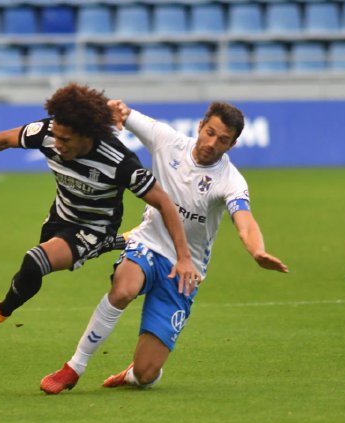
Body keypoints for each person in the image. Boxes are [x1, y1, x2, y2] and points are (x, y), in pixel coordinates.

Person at [40, 100, 288, 394]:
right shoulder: (167, 141)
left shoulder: (231, 180)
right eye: (209, 132)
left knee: (146, 374)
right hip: (147, 242)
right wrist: (114, 109)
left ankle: (135, 374)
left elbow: (244, 221)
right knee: (123, 289)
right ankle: (74, 367)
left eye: (222, 140)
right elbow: (124, 112)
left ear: (232, 145)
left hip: (185, 270)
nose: (212, 143)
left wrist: (256, 250)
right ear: (200, 125)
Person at [0, 83, 199, 332]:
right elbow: (2, 139)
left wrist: (184, 257)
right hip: (60, 216)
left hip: (94, 227)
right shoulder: (49, 132)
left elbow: (164, 202)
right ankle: (119, 242)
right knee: (34, 270)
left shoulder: (119, 163)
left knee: (35, 261)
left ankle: (1, 311)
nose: (57, 143)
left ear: (87, 135)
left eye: (66, 139)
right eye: (56, 136)